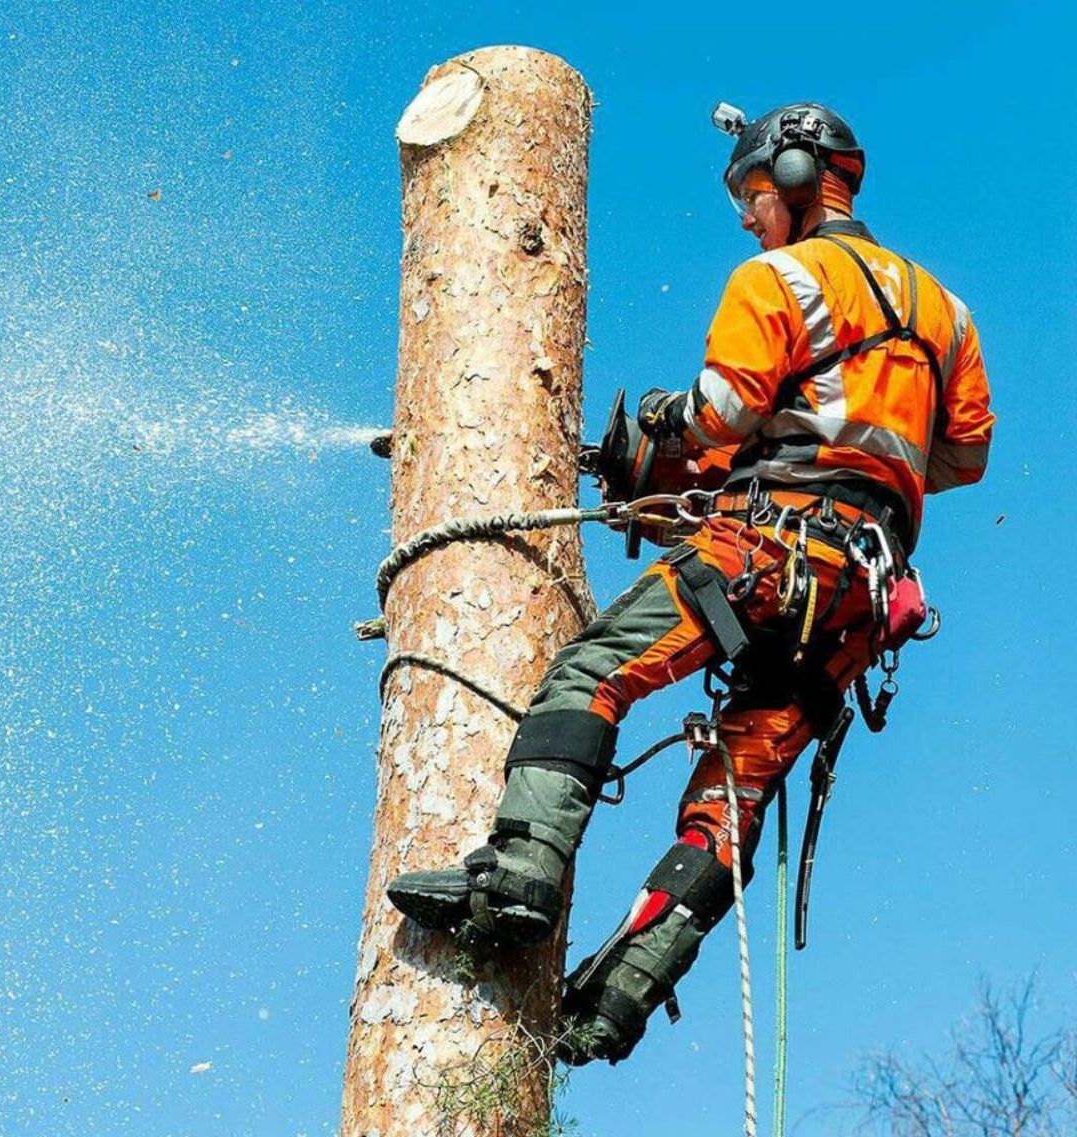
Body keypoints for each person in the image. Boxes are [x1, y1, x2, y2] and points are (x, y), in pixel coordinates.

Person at [386, 101, 994, 1065]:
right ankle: (621, 992)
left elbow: (721, 411)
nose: (748, 218)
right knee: (730, 799)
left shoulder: (780, 275)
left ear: (794, 182)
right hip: (853, 606)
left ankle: (520, 874)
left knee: (592, 671)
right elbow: (961, 457)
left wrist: (676, 430)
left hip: (770, 551)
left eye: (753, 195)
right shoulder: (945, 313)